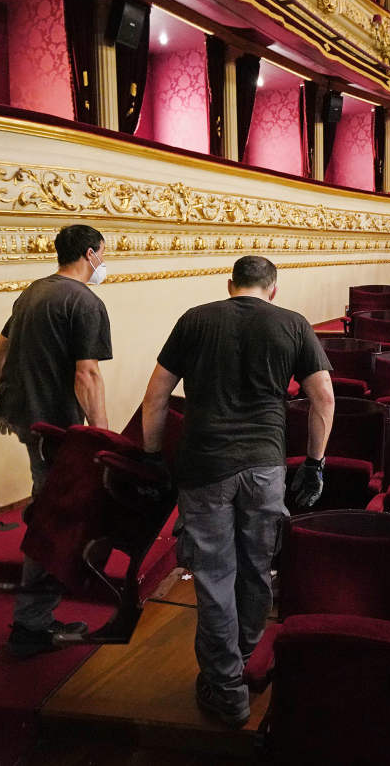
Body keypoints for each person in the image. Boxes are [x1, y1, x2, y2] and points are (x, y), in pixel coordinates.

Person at [138, 255, 334, 728]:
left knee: (213, 574)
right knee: (256, 568)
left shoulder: (195, 319)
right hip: (265, 466)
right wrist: (315, 462)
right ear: (273, 289)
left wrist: (149, 457)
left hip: (204, 465)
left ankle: (225, 688)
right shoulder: (292, 323)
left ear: (230, 284)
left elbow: (156, 397)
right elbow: (323, 397)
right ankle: (245, 655)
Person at [0, 223, 113, 658]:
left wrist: (6, 395)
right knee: (55, 519)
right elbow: (87, 374)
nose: (103, 261)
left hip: (27, 421)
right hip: (59, 428)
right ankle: (31, 625)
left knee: (49, 502)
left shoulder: (33, 292)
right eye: (103, 253)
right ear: (92, 254)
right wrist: (102, 436)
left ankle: (37, 608)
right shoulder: (84, 301)